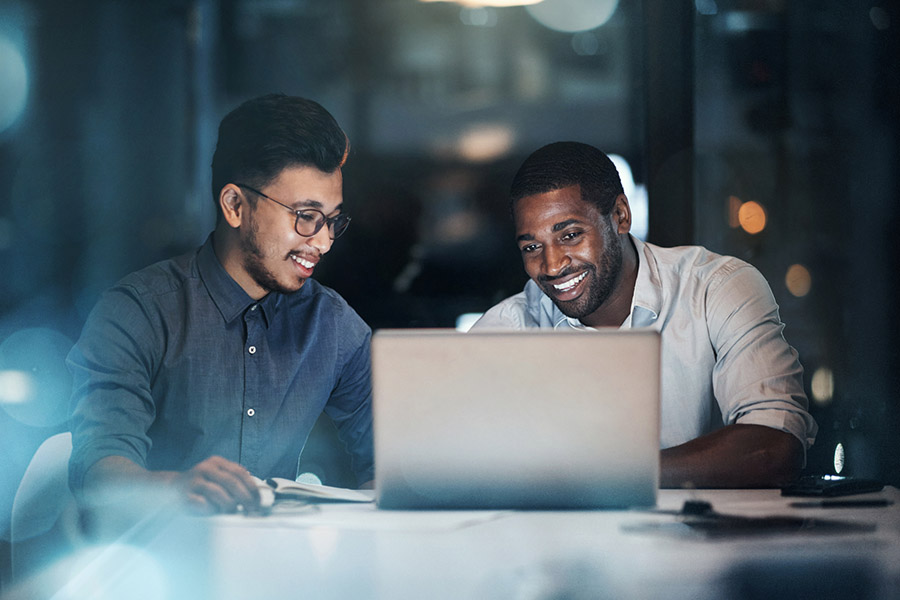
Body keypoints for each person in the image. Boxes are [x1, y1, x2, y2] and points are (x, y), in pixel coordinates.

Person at [67, 94, 373, 515]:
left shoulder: (333, 326)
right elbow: (97, 470)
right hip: (159, 549)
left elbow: (391, 466)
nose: (323, 242)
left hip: (280, 549)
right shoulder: (139, 312)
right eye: (306, 216)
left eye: (332, 220)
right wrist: (177, 490)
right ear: (235, 206)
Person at [471, 141, 817, 488]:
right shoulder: (508, 329)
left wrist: (606, 478)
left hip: (701, 525)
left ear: (621, 216)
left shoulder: (716, 289)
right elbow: (457, 461)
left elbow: (774, 448)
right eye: (532, 247)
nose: (551, 265)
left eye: (571, 235)